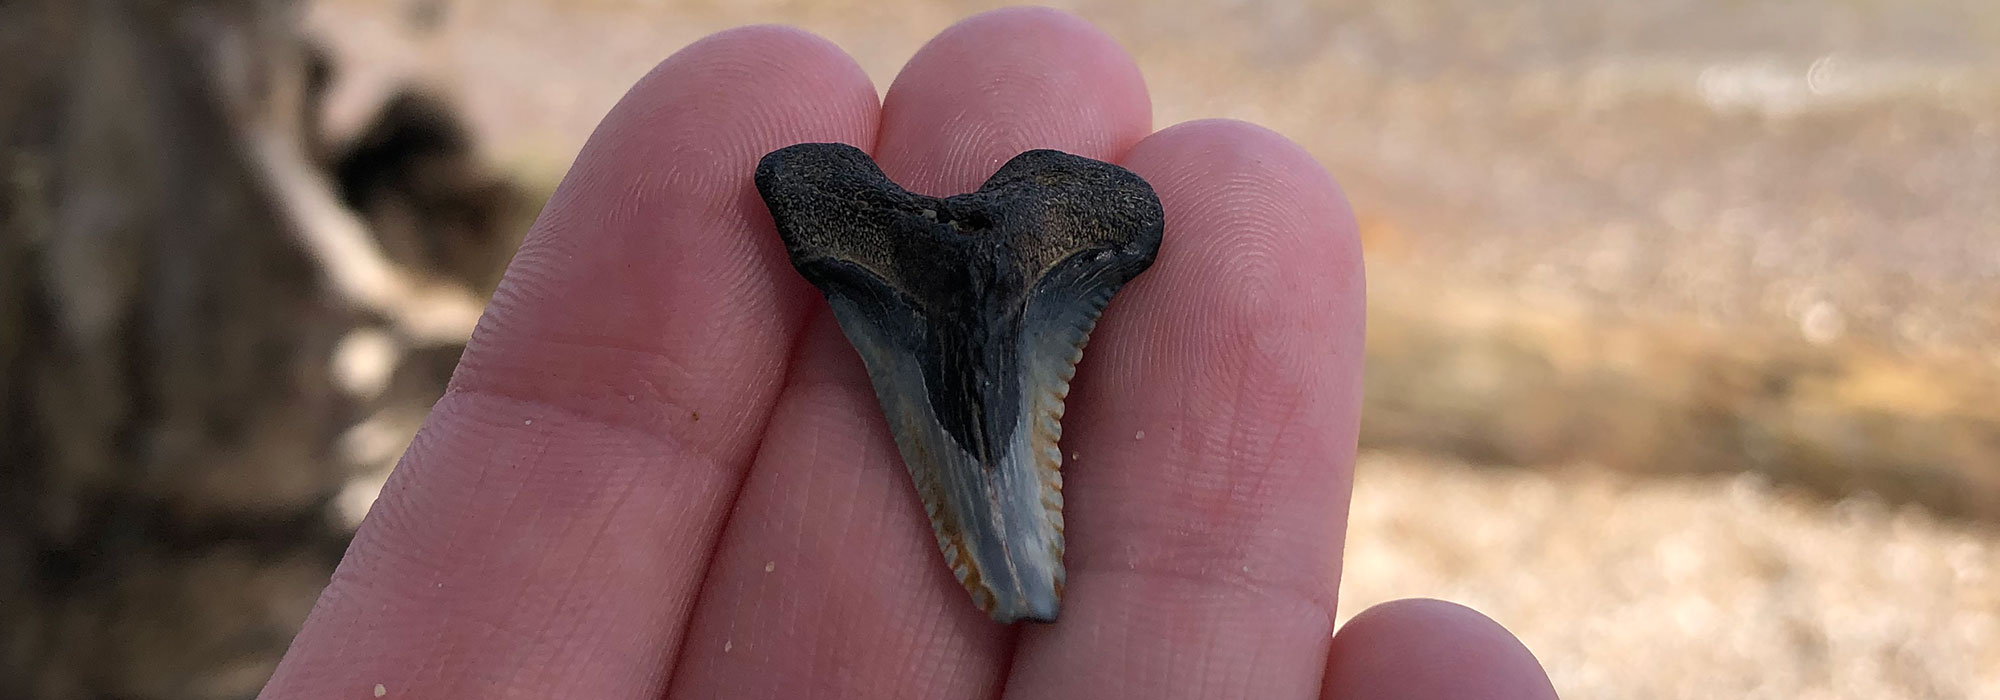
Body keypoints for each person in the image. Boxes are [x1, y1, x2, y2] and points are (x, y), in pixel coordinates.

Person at [259, 8, 1556, 699]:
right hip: (944, 271)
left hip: (988, 267)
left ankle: (1013, 556)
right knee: (1013, 553)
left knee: (1016, 551)